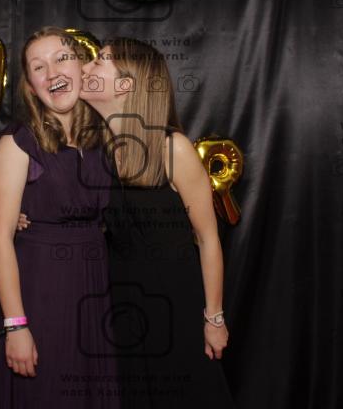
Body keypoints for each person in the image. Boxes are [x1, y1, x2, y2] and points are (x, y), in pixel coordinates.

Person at [19, 37, 235, 408]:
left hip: (177, 309)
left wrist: (214, 319)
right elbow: (73, 213)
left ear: (125, 84)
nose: (85, 67)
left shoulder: (172, 148)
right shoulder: (96, 154)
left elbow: (208, 239)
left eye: (99, 61)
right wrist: (25, 218)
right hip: (120, 312)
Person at [0, 27, 120, 408]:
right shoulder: (17, 143)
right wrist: (16, 326)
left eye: (62, 58)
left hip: (96, 291)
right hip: (42, 290)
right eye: (38, 66)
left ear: (81, 67)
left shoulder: (106, 137)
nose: (53, 72)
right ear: (31, 88)